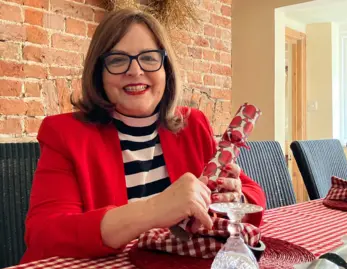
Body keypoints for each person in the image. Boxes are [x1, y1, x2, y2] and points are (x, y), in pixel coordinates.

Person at [21, 8, 266, 263]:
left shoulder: (193, 124)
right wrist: (155, 210)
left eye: (149, 58)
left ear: (166, 68)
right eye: (117, 60)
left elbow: (252, 193)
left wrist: (233, 199)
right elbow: (44, 236)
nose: (135, 71)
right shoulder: (64, 134)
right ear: (99, 73)